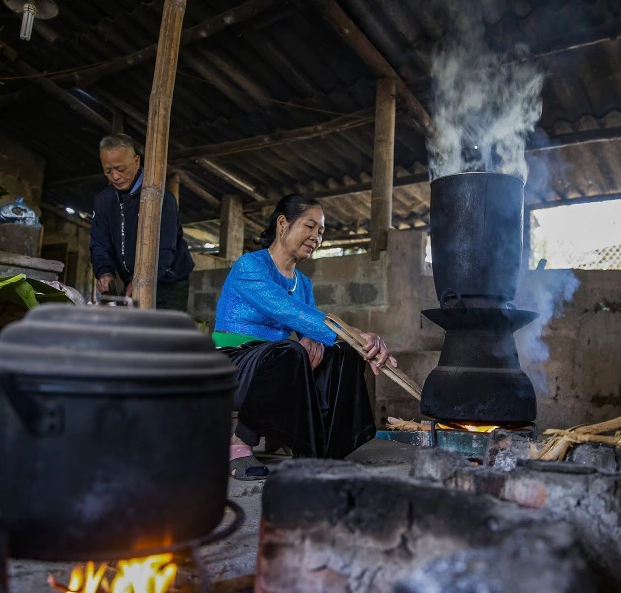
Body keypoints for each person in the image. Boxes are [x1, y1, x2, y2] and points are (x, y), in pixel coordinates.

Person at [213, 194, 396, 480]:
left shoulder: (303, 283)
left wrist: (323, 341)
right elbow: (286, 310)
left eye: (321, 232)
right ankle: (238, 446)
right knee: (292, 350)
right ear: (283, 224)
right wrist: (354, 334)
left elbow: (309, 325)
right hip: (233, 362)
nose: (316, 237)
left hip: (276, 360)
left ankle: (325, 452)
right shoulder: (250, 266)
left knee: (343, 352)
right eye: (310, 227)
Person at [89, 134, 194, 311]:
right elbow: (99, 243)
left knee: (163, 336)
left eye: (120, 169)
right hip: (132, 282)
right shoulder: (104, 202)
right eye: (108, 171)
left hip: (169, 284)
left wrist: (143, 281)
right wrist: (104, 272)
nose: (115, 176)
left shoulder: (160, 198)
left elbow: (165, 248)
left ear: (136, 161)